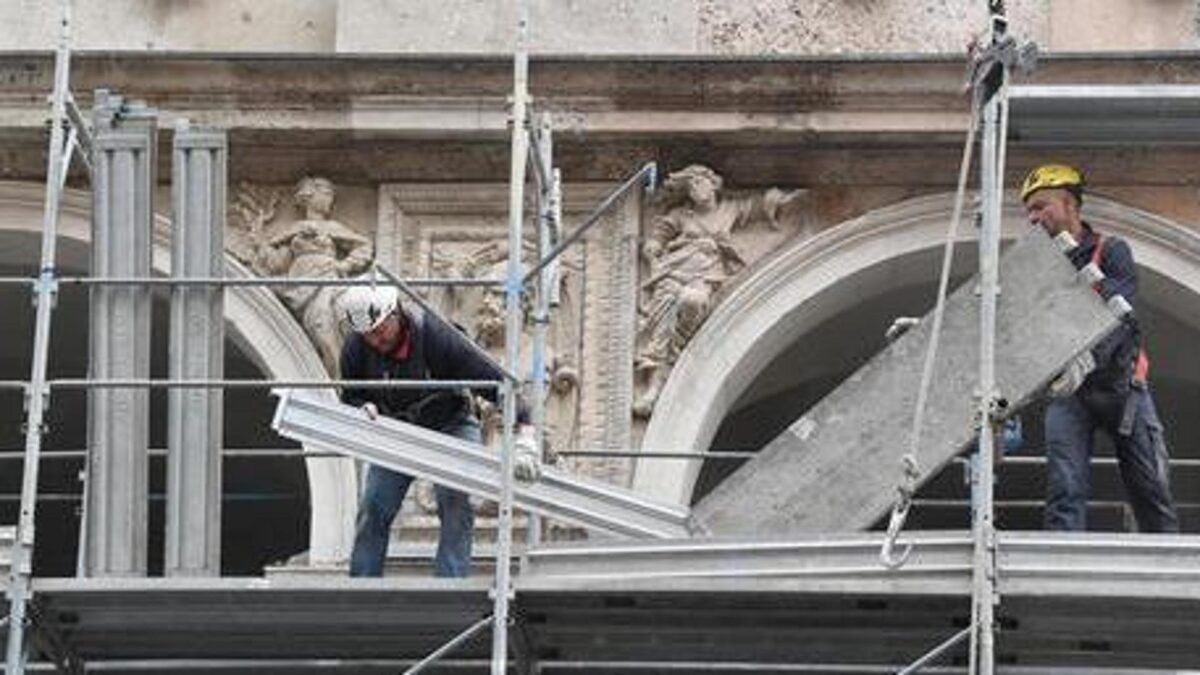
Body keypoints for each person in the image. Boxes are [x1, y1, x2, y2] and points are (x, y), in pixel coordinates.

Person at [336, 284, 535, 577]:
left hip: (450, 424)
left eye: (380, 331)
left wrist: (525, 432)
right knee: (374, 507)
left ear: (396, 314)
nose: (376, 341)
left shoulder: (437, 336)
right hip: (396, 430)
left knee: (456, 500)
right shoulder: (357, 347)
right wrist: (362, 405)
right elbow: (350, 394)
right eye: (368, 336)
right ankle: (363, 584)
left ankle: (450, 581)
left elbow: (497, 384)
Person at [1021, 163, 1178, 532]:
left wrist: (1086, 358)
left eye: (1041, 206)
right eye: (1029, 210)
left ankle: (1168, 557)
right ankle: (1061, 560)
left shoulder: (1111, 251)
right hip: (1071, 394)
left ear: (1070, 204)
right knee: (1065, 485)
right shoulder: (1037, 267)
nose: (1033, 217)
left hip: (1123, 387)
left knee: (1149, 486)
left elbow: (1120, 317)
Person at [634, 164, 806, 416]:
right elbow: (659, 234)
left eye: (698, 183)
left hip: (707, 274)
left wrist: (784, 198)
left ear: (713, 184)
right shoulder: (682, 215)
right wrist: (653, 248)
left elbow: (758, 206)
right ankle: (654, 385)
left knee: (692, 302)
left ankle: (677, 355)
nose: (695, 190)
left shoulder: (730, 209)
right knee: (661, 328)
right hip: (674, 269)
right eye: (690, 186)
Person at [245, 177, 373, 376]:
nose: (330, 199)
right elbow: (277, 264)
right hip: (299, 284)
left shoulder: (332, 227)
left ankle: (337, 379)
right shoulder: (294, 230)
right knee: (308, 330)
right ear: (310, 197)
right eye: (326, 194)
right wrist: (259, 238)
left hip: (325, 280)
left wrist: (344, 265)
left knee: (323, 328)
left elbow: (364, 245)